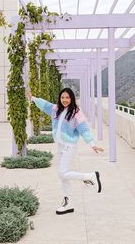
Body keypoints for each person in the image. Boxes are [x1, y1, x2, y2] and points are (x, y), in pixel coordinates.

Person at [27, 87, 104, 215]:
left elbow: (83, 129)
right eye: (62, 97)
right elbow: (45, 104)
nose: (65, 100)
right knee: (63, 176)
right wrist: (33, 98)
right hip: (61, 146)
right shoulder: (56, 109)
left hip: (69, 146)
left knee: (63, 173)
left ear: (71, 98)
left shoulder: (76, 112)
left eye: (67, 97)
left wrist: (92, 144)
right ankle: (68, 202)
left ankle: (90, 176)